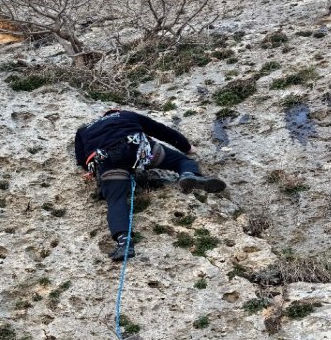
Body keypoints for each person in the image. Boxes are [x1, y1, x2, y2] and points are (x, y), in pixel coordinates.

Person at [73, 110, 227, 260]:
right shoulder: (127, 115)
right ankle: (188, 174)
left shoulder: (84, 130)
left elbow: (81, 159)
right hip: (139, 149)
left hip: (107, 159)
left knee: (116, 201)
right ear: (115, 112)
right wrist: (186, 147)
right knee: (182, 161)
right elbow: (161, 130)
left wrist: (98, 174)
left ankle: (124, 243)